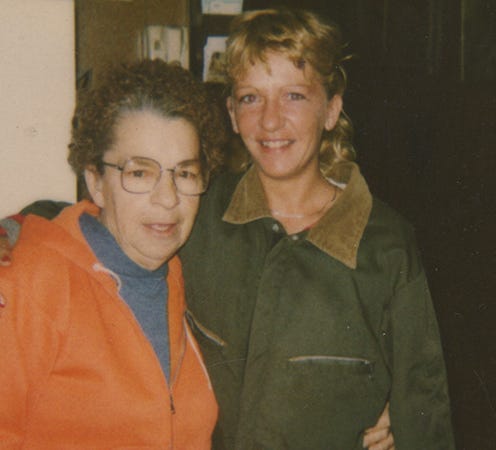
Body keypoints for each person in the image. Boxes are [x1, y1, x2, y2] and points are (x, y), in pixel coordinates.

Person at [2, 8, 454, 449]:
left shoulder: (386, 246)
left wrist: (399, 422)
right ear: (233, 114)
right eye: (251, 97)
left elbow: (425, 406)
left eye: (294, 96)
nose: (271, 120)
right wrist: (12, 229)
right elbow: (99, 221)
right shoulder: (199, 211)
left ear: (332, 108)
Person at [0, 59, 225, 448]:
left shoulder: (174, 275)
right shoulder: (31, 283)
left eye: (184, 173)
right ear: (96, 181)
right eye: (140, 173)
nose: (168, 198)